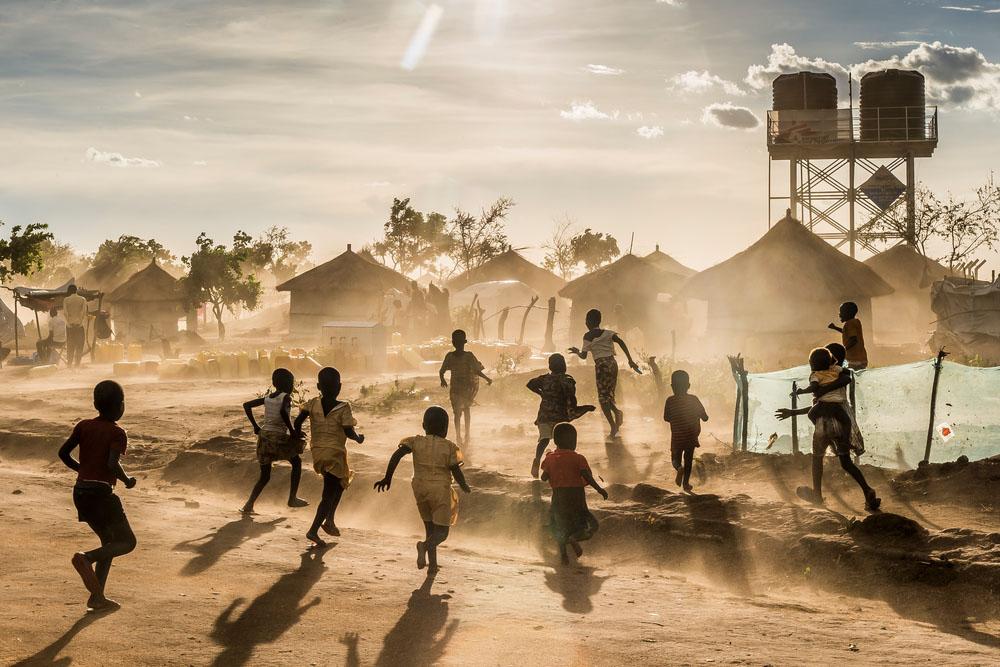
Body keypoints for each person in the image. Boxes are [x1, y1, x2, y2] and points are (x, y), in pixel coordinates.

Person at [58, 380, 137, 611]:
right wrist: (127, 480)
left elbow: (63, 453)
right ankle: (86, 558)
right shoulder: (118, 432)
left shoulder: (84, 426)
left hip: (80, 492)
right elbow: (112, 464)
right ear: (121, 406)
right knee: (127, 542)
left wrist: (81, 470)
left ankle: (97, 598)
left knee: (109, 543)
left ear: (95, 404)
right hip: (101, 494)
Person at [776, 348, 880, 512]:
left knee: (817, 459)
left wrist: (815, 393)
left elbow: (820, 403)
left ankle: (817, 495)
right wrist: (793, 412)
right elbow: (822, 401)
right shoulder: (838, 376)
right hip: (839, 424)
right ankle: (867, 490)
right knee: (846, 462)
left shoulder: (829, 377)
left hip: (823, 425)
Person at [374, 406, 470, 572]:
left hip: (420, 489)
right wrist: (464, 485)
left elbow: (397, 455)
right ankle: (424, 547)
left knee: (430, 529)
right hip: (440, 491)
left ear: (424, 425)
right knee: (442, 533)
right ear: (446, 429)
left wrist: (387, 477)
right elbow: (455, 469)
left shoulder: (415, 441)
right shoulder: (449, 447)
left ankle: (432, 566)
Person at [293, 367, 364, 548]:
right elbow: (348, 431)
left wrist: (297, 433)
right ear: (339, 387)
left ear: (318, 386)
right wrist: (358, 438)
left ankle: (330, 520)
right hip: (335, 454)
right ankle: (314, 529)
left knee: (341, 483)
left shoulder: (312, 403)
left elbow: (297, 421)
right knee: (328, 494)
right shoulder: (343, 407)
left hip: (318, 452)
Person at [240, 368, 308, 514]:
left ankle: (249, 504)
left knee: (264, 476)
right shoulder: (286, 397)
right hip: (277, 438)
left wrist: (256, 426)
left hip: (264, 438)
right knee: (297, 462)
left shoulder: (268, 398)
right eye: (292, 383)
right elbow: (283, 412)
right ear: (289, 384)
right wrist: (293, 431)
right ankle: (292, 498)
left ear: (274, 383)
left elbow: (246, 405)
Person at [540, 423, 608, 565]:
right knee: (592, 525)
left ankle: (564, 556)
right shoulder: (578, 458)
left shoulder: (551, 458)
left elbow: (543, 478)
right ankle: (575, 538)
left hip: (559, 497)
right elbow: (587, 476)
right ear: (573, 441)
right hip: (576, 496)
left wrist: (549, 458)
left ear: (556, 441)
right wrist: (599, 489)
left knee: (560, 526)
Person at [568, 308, 642, 439]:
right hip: (613, 364)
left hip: (601, 366)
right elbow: (621, 342)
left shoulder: (587, 336)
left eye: (586, 320)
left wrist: (577, 352)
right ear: (599, 321)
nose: (585, 322)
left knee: (603, 398)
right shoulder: (608, 333)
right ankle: (617, 413)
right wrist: (630, 360)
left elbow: (584, 356)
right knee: (608, 394)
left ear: (589, 322)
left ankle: (613, 426)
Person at [526, 353, 595, 479]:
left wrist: (541, 393)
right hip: (560, 416)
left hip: (545, 414)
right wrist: (584, 408)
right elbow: (572, 400)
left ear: (550, 366)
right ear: (563, 366)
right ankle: (560, 467)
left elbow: (530, 384)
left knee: (544, 440)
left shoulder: (544, 379)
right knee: (562, 443)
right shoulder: (567, 380)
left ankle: (537, 461)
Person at [439, 329, 492, 446]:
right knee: (462, 411)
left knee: (460, 412)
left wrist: (442, 379)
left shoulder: (460, 356)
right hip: (461, 390)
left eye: (458, 341)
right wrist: (487, 379)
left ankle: (463, 434)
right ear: (463, 342)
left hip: (463, 390)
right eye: (457, 341)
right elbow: (477, 371)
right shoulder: (462, 356)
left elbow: (441, 371)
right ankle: (461, 435)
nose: (457, 344)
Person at [662, 370, 709, 492]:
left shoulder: (670, 400)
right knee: (688, 459)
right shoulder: (694, 399)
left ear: (672, 387)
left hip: (677, 437)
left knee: (675, 458)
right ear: (688, 386)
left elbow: (666, 417)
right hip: (691, 436)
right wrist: (698, 415)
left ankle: (678, 468)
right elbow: (705, 417)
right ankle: (686, 484)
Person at [828, 301, 868, 370]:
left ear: (848, 313)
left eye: (841, 312)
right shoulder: (856, 321)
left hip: (854, 360)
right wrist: (835, 327)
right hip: (862, 358)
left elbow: (853, 340)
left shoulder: (849, 324)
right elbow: (846, 332)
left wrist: (843, 350)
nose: (839, 314)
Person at [63, 284, 89, 367]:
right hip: (79, 326)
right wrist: (80, 322)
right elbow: (84, 312)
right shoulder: (82, 299)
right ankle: (77, 363)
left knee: (70, 345)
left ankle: (69, 364)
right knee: (80, 345)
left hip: (70, 326)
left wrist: (69, 322)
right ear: (76, 290)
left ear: (69, 291)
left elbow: (65, 313)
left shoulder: (66, 300)